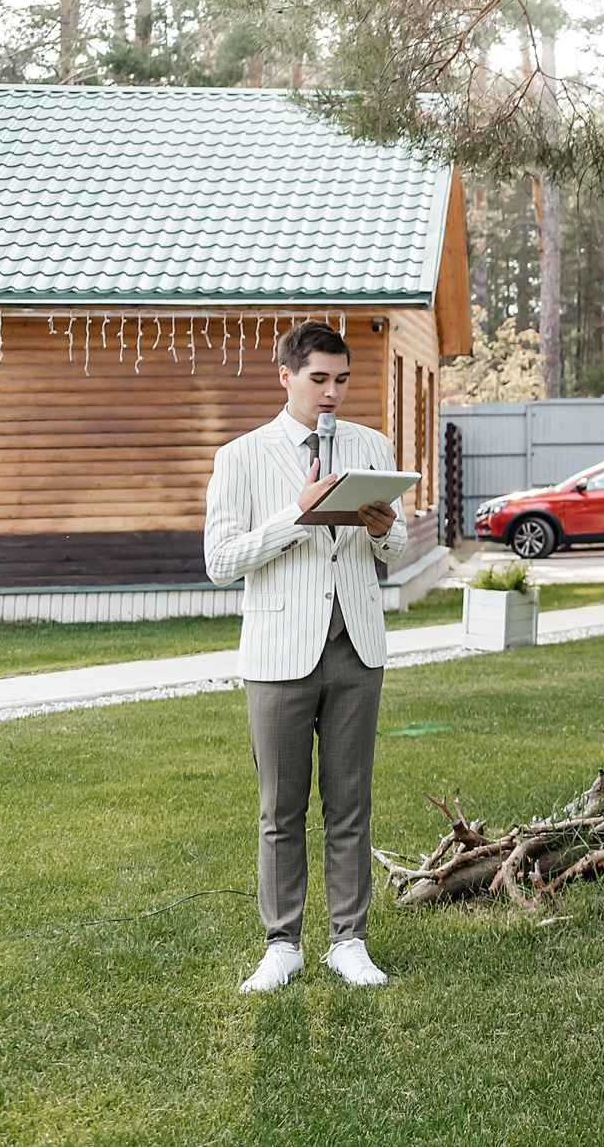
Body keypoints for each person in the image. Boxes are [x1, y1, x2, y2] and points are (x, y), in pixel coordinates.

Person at [204, 321, 411, 993]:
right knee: (280, 807)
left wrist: (384, 531)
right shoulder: (241, 456)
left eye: (342, 379)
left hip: (357, 645)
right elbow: (219, 561)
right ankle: (282, 944)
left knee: (350, 803)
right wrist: (295, 514)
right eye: (319, 378)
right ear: (285, 375)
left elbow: (397, 544)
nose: (332, 392)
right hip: (276, 652)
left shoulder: (370, 445)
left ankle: (348, 940)